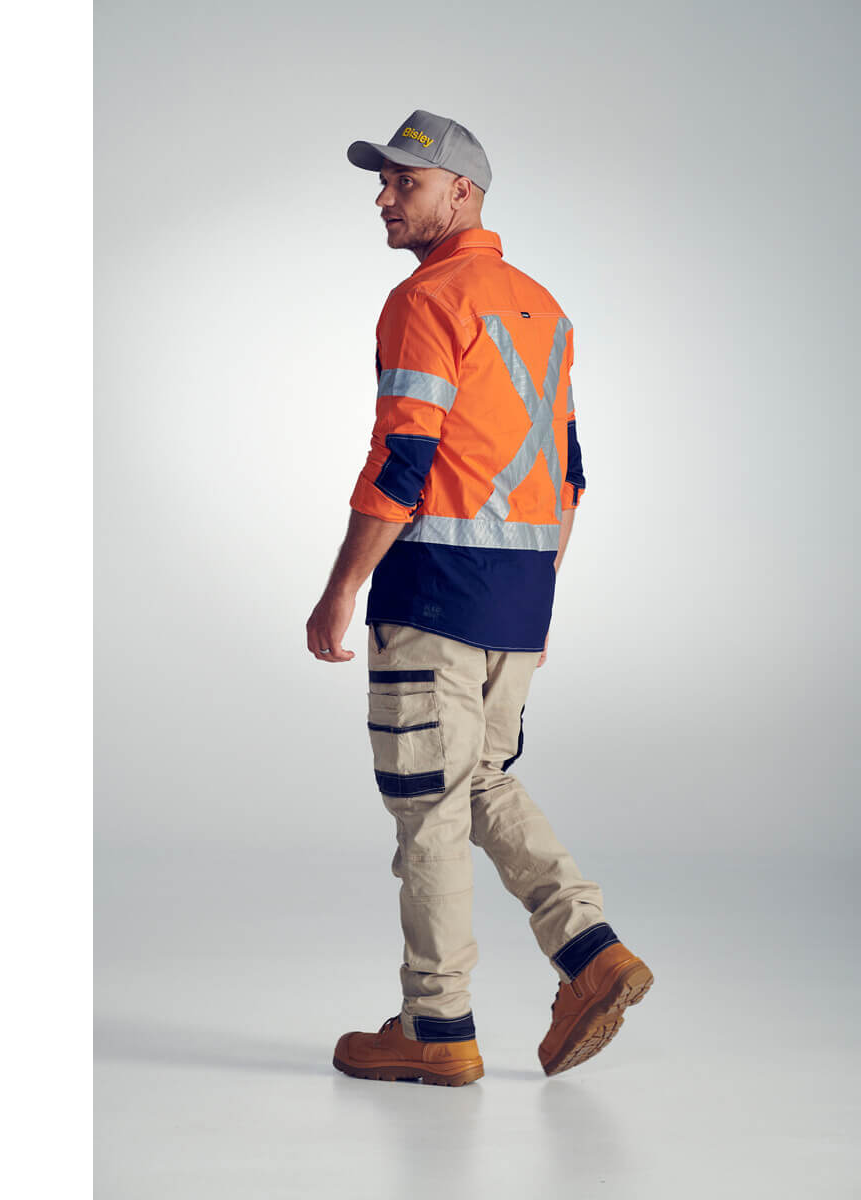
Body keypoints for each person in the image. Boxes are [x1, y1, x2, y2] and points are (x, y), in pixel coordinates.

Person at [307, 109, 652, 1086]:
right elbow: (568, 474)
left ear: (462, 193)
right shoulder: (542, 307)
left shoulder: (426, 298)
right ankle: (592, 953)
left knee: (430, 808)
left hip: (432, 594)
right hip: (518, 597)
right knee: (482, 781)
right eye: (382, 182)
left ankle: (437, 1025)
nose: (384, 198)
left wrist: (341, 588)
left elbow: (404, 456)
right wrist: (535, 602)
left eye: (404, 182)